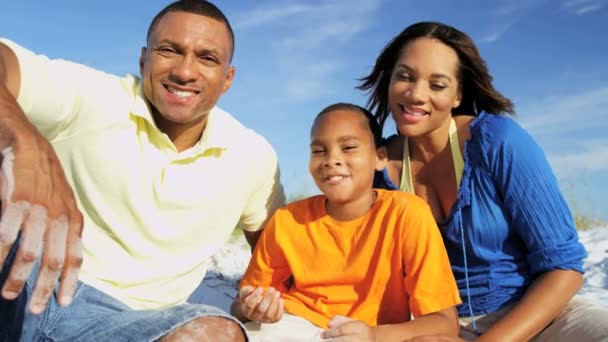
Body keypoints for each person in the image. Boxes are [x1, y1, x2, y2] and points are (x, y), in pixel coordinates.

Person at [0, 0, 285, 340]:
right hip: (28, 285)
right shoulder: (93, 96)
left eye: (207, 58)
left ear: (228, 78)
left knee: (217, 334)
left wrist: (260, 302)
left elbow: (283, 255)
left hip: (140, 325)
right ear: (142, 58)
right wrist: (27, 142)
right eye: (169, 50)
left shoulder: (253, 156)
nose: (185, 71)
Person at [359, 21, 608, 341]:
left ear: (458, 94)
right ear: (389, 79)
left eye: (437, 85)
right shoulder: (374, 165)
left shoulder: (497, 141)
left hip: (536, 316)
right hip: (436, 328)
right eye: (405, 76)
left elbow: (563, 268)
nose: (417, 94)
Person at [231, 102, 462, 341]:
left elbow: (444, 323)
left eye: (349, 147)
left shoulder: (407, 214)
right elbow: (242, 304)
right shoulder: (287, 220)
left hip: (372, 334)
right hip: (295, 326)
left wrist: (373, 335)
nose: (332, 160)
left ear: (379, 158)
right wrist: (252, 308)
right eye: (319, 151)